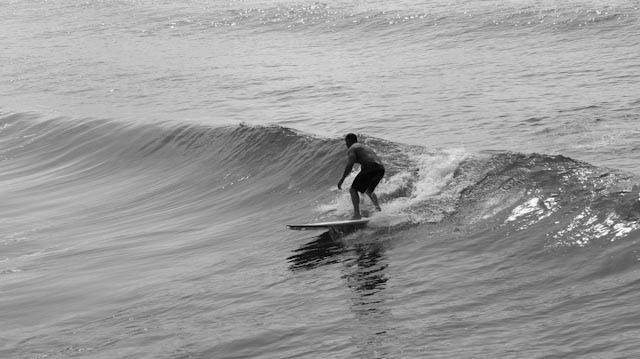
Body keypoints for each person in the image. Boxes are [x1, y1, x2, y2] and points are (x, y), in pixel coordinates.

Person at [337, 133, 385, 219]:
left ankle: (357, 215)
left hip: (371, 167)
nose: (346, 145)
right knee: (369, 190)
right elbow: (367, 163)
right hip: (381, 169)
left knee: (353, 189)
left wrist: (342, 179)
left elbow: (350, 165)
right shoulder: (365, 148)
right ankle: (378, 210)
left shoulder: (352, 148)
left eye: (346, 143)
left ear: (348, 141)